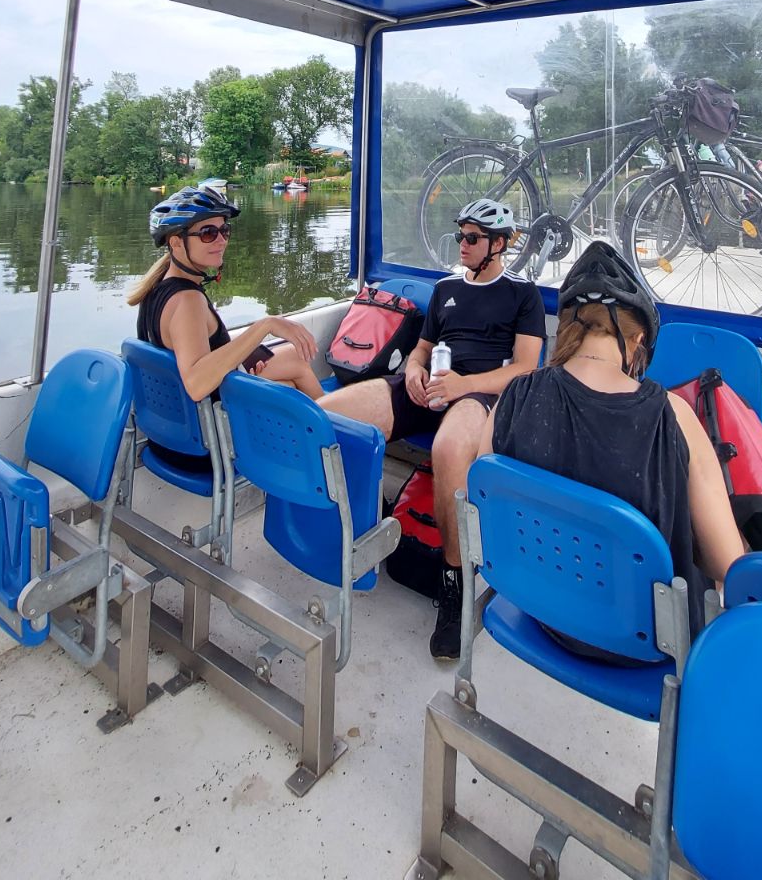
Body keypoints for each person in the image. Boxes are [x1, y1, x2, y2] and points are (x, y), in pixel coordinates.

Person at [481, 240, 745, 652]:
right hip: (648, 644)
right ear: (637, 339)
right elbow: (726, 564)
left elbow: (485, 501)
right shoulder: (672, 416)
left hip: (540, 610)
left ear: (567, 327)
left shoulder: (513, 397)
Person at [318, 198, 545, 660]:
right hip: (429, 388)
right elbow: (421, 350)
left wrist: (464, 385)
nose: (462, 244)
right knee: (329, 415)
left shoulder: (523, 296)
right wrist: (418, 371)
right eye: (460, 236)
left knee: (447, 452)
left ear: (499, 245)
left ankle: (454, 582)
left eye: (472, 238)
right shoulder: (444, 289)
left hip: (483, 395)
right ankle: (374, 518)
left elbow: (524, 369)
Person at [127, 186, 323, 463]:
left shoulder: (158, 290)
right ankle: (341, 440)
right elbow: (196, 384)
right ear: (176, 242)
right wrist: (264, 326)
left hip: (170, 436)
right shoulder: (187, 301)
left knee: (292, 363)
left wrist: (239, 361)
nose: (220, 240)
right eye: (208, 233)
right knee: (291, 389)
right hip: (206, 442)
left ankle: (334, 426)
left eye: (224, 230)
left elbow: (193, 357)